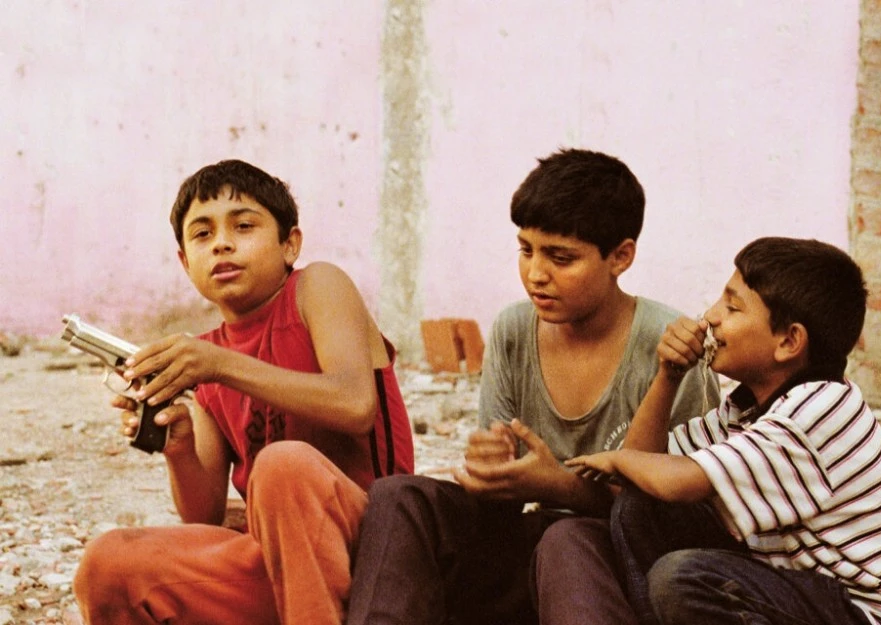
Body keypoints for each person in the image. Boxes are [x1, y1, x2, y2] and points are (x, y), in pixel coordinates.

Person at [346, 148, 719, 625]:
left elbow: (676, 517)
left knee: (566, 537)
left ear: (620, 257)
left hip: (609, 566)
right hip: (527, 551)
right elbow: (502, 498)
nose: (536, 274)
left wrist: (560, 486)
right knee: (399, 497)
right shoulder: (514, 330)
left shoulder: (668, 348)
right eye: (526, 250)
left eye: (561, 258)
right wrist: (492, 470)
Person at [72, 159, 414, 625]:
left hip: (378, 552)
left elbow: (355, 404)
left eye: (244, 226)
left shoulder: (317, 288)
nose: (222, 243)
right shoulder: (208, 358)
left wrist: (220, 366)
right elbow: (204, 515)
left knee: (282, 466)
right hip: (281, 566)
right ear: (185, 262)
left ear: (290, 244)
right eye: (202, 234)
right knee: (109, 563)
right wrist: (179, 447)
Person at [567, 236, 881, 625]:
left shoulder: (819, 411)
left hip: (869, 614)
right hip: (809, 595)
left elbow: (678, 480)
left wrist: (618, 459)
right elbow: (644, 473)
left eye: (732, 307)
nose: (710, 317)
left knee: (685, 579)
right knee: (639, 507)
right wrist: (669, 375)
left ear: (789, 341)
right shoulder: (748, 408)